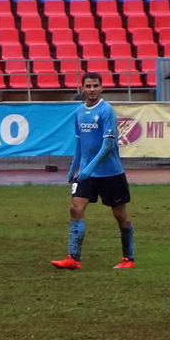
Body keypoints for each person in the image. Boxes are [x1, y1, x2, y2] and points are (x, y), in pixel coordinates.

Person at [52, 73, 135, 270]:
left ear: (101, 88)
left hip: (110, 173)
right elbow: (80, 144)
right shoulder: (79, 112)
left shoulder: (107, 112)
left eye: (95, 85)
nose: (92, 89)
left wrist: (87, 169)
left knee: (121, 215)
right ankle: (73, 258)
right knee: (75, 208)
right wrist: (73, 169)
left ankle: (128, 259)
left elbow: (107, 147)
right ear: (82, 88)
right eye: (88, 85)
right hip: (87, 174)